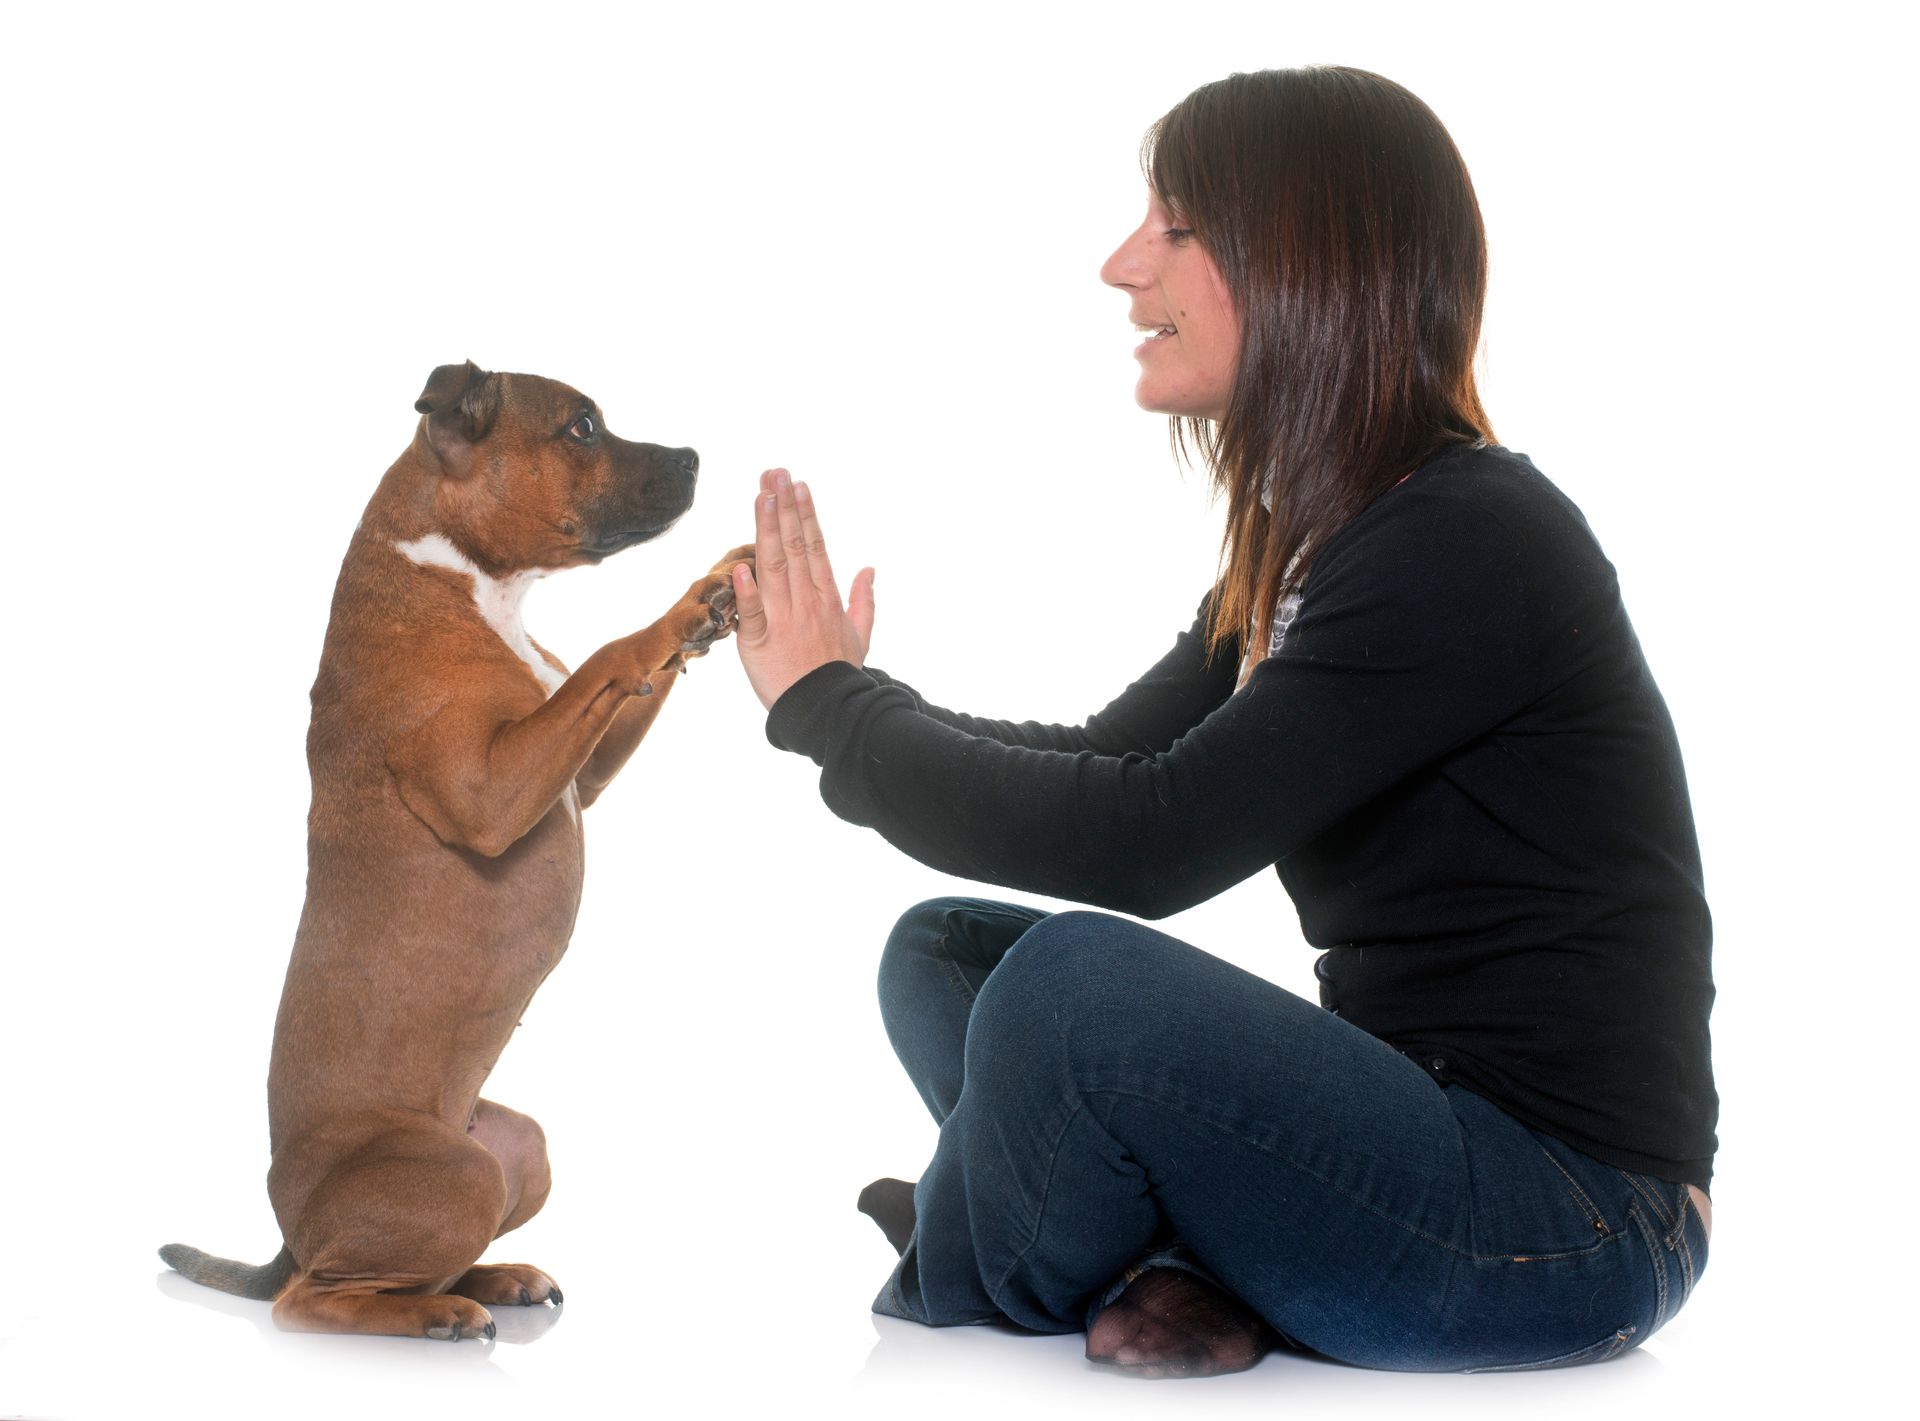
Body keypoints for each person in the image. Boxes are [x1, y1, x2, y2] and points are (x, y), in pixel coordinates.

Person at [725, 66, 1715, 1378]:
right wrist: (844, 700)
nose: (1123, 267)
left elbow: (1150, 841)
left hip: (1570, 1224)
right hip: (1408, 1147)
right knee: (946, 955)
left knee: (1074, 988)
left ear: (1308, 261)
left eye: (1177, 229)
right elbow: (1114, 759)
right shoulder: (1314, 545)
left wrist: (831, 708)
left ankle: (981, 1268)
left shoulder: (1468, 538)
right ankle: (1160, 1268)